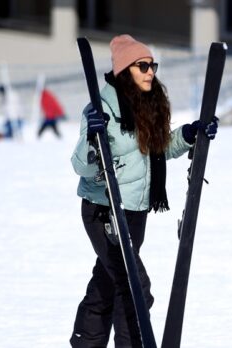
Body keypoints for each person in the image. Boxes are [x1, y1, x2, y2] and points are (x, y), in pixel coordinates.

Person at [69, 34, 219, 348]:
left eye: (152, 65)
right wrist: (92, 140)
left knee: (107, 285)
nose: (151, 71)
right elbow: (81, 166)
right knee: (134, 288)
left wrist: (191, 134)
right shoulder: (100, 110)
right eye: (143, 66)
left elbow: (159, 150)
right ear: (125, 71)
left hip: (135, 213)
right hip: (104, 212)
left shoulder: (146, 105)